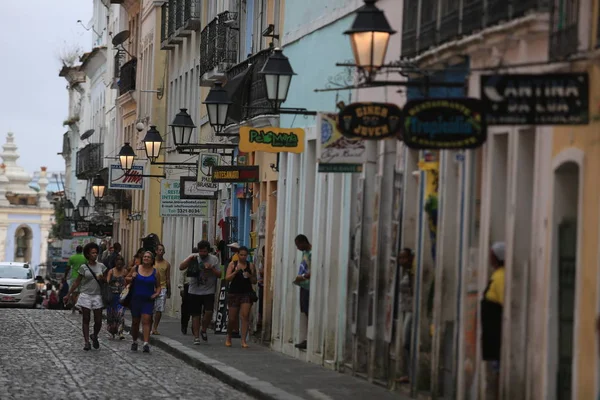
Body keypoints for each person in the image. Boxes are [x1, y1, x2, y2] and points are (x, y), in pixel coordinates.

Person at [64, 242, 108, 351]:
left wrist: (103, 278)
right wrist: (68, 294)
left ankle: (95, 335)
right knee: (86, 318)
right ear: (88, 254)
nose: (95, 254)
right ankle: (87, 341)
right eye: (92, 253)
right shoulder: (84, 267)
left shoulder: (101, 266)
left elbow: (108, 280)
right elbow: (77, 282)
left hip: (97, 295)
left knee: (98, 320)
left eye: (96, 253)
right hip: (86, 295)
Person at [179, 240, 221, 345]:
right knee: (195, 314)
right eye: (200, 251)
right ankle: (196, 337)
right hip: (194, 290)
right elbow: (181, 267)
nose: (202, 254)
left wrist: (211, 268)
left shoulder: (214, 259)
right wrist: (189, 260)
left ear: (208, 251)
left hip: (209, 290)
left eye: (204, 251)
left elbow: (220, 275)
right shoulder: (193, 257)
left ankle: (204, 329)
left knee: (209, 312)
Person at [481, 242, 505, 400]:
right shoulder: (496, 275)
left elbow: (503, 301)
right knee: (495, 368)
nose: (489, 258)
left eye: (491, 254)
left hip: (497, 331)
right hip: (492, 331)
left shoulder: (501, 276)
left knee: (498, 370)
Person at [126, 251, 161, 353]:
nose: (146, 258)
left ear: (152, 260)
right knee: (135, 322)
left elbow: (158, 286)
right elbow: (126, 278)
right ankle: (134, 341)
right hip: (136, 299)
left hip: (148, 300)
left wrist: (156, 293)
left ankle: (146, 343)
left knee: (147, 320)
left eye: (148, 257)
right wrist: (132, 277)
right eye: (144, 257)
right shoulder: (136, 268)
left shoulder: (155, 272)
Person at [224, 246, 257, 348]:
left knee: (245, 316)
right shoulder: (232, 264)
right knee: (232, 318)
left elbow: (254, 281)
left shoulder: (250, 265)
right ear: (238, 255)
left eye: (245, 255)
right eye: (241, 255)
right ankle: (229, 336)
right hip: (234, 293)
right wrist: (235, 272)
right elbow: (227, 278)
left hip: (246, 293)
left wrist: (250, 276)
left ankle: (243, 340)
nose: (243, 257)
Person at [396, 248, 415, 384]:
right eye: (400, 258)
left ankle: (411, 373)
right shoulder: (405, 273)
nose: (401, 260)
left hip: (412, 310)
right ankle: (408, 373)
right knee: (406, 342)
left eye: (404, 257)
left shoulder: (412, 273)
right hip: (405, 309)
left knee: (406, 341)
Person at [293, 234, 311, 350]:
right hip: (303, 286)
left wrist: (302, 276)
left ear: (303, 242)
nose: (297, 248)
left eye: (298, 245)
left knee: (308, 312)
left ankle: (309, 339)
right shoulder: (305, 253)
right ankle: (306, 338)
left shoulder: (311, 253)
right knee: (305, 311)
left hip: (307, 285)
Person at [106, 255, 127, 339]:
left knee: (120, 314)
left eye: (120, 264)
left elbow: (127, 281)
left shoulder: (125, 271)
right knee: (111, 315)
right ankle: (112, 332)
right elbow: (107, 282)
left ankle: (121, 331)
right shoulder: (111, 271)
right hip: (112, 296)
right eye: (118, 264)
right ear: (115, 263)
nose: (119, 266)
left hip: (121, 296)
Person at [152, 244, 171, 335]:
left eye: (162, 250)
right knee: (151, 308)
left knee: (159, 309)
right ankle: (149, 324)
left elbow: (167, 278)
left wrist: (169, 289)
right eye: (159, 250)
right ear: (156, 251)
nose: (161, 252)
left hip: (162, 287)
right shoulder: (151, 262)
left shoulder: (166, 264)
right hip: (151, 287)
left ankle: (155, 327)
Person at [64, 245, 86, 314]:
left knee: (73, 292)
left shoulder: (72, 257)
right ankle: (79, 305)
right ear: (82, 250)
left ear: (76, 250)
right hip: (82, 276)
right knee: (81, 292)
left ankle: (74, 306)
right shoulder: (85, 258)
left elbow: (68, 267)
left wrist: (65, 276)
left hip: (74, 276)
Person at [179, 247, 196, 335]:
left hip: (197, 286)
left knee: (195, 308)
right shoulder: (188, 262)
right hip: (187, 286)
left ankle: (194, 326)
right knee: (185, 307)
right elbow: (182, 274)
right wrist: (181, 287)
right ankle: (184, 325)